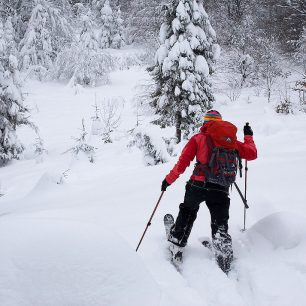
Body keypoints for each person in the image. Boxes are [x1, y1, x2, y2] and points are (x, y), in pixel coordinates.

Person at [161, 110, 257, 273]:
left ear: (205, 123)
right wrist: (248, 136)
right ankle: (223, 254)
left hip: (197, 185)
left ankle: (177, 244)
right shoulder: (230, 141)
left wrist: (168, 181)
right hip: (220, 187)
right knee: (220, 222)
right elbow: (252, 153)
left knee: (188, 212)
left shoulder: (198, 138)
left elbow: (182, 163)